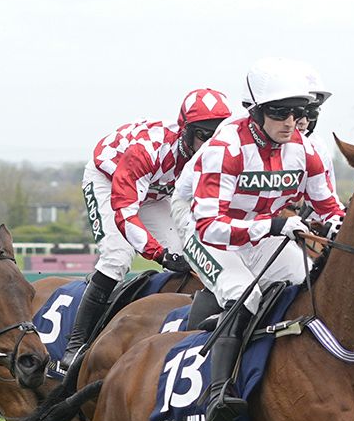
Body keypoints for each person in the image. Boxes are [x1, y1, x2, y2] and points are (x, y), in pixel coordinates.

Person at [180, 58, 346, 421]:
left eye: (299, 112)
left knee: (305, 283)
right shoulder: (226, 148)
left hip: (263, 226)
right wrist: (273, 224)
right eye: (280, 112)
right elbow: (211, 226)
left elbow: (329, 208)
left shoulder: (306, 148)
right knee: (245, 292)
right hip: (201, 226)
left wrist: (340, 230)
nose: (292, 122)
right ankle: (218, 393)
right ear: (255, 112)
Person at [60, 87, 234, 372]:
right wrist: (158, 253)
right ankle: (75, 344)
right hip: (111, 181)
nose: (209, 145)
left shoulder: (216, 156)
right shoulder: (147, 150)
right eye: (203, 135)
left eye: (216, 137)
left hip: (157, 192)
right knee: (118, 257)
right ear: (186, 131)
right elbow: (125, 211)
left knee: (190, 255)